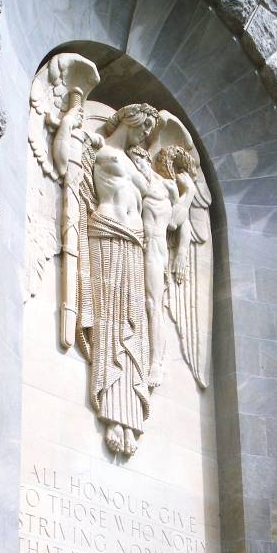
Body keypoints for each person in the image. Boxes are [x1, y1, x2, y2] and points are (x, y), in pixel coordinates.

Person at [76, 103, 159, 457]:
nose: (145, 137)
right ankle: (112, 415)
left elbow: (159, 204)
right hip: (107, 234)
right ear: (131, 120)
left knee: (133, 326)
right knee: (111, 325)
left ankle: (130, 419)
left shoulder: (136, 163)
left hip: (134, 243)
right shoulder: (100, 149)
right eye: (144, 129)